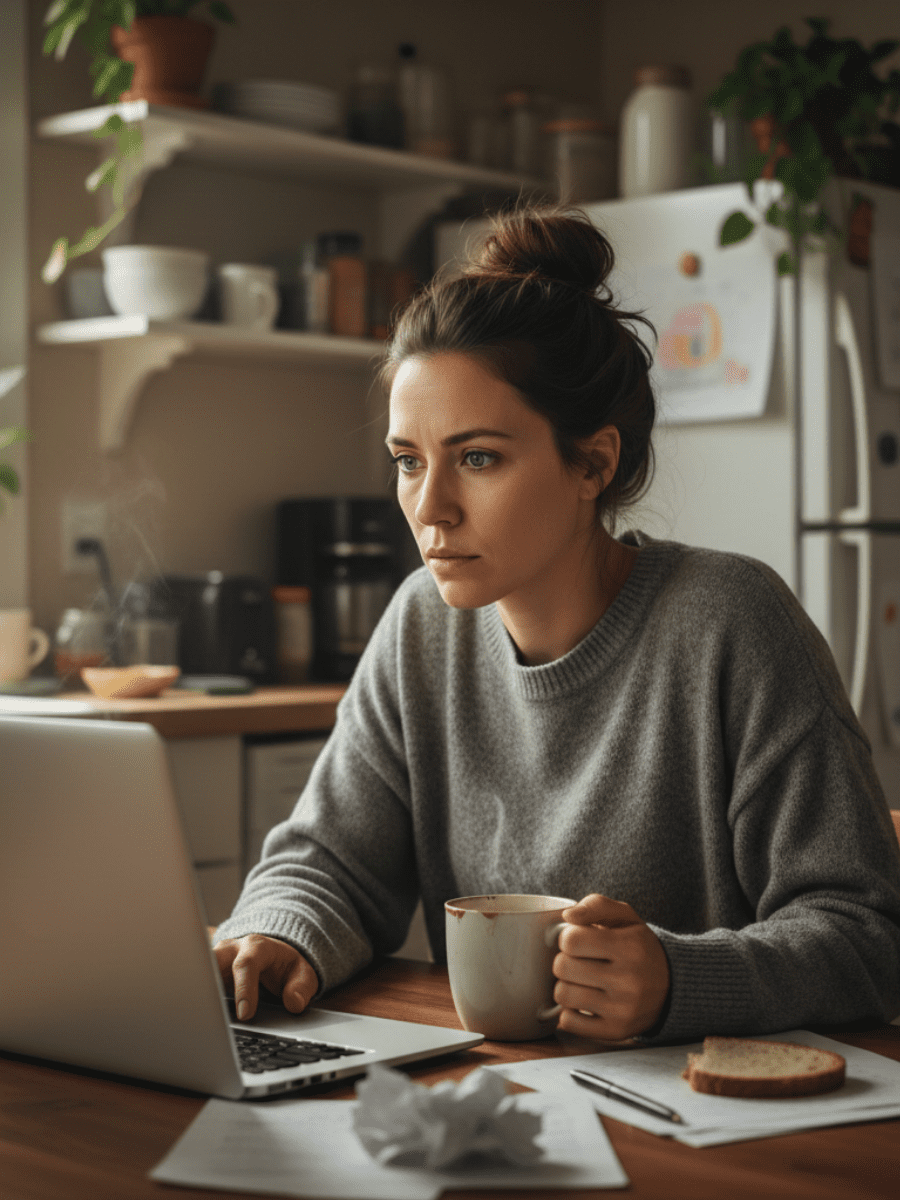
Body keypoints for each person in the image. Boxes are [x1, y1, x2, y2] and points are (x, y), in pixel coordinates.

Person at [214, 204, 900, 1044]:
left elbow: (867, 934)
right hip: (504, 1108)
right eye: (406, 462)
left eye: (477, 458)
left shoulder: (732, 623)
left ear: (594, 462)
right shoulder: (419, 628)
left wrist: (678, 978)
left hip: (715, 1132)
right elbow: (329, 862)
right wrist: (276, 932)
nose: (430, 508)